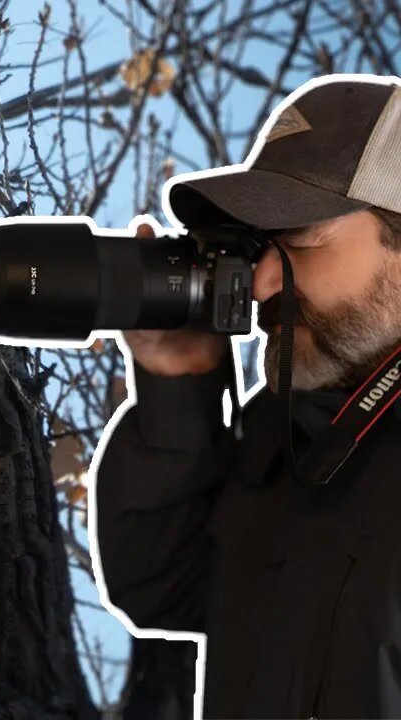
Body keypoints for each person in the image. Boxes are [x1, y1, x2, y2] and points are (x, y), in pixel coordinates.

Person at [94, 74, 401, 718]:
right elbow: (162, 585)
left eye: (298, 241)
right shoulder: (298, 441)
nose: (262, 284)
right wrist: (180, 390)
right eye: (262, 248)